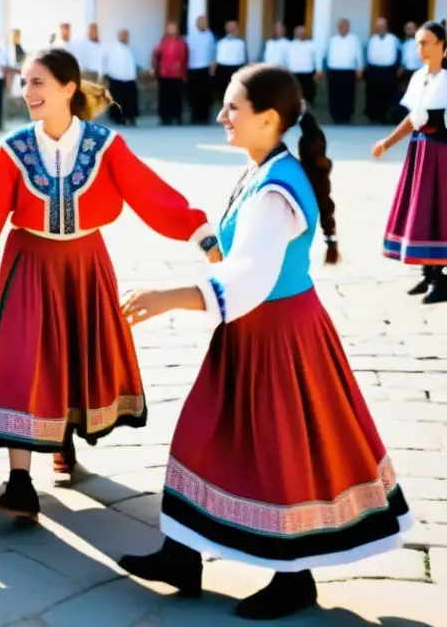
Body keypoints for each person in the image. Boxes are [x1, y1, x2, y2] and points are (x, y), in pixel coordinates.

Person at [117, 64, 412, 622]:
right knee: (203, 435)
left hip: (278, 336)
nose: (222, 115)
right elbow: (241, 263)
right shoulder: (263, 169)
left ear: (269, 119)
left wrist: (169, 296)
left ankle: (293, 577)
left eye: (233, 107)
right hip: (250, 331)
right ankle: (182, 554)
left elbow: (250, 276)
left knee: (280, 453)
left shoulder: (277, 187)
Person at [0, 48, 218, 516]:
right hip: (29, 264)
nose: (27, 92)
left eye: (38, 83)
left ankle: (63, 440)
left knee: (76, 353)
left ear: (68, 89)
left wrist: (201, 235)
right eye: (26, 83)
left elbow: (149, 193)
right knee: (21, 360)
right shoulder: (13, 148)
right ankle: (19, 481)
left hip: (84, 262)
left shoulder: (104, 145)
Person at [373, 20, 447, 303]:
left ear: (443, 46)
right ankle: (429, 274)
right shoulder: (419, 77)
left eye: (427, 42)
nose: (421, 48)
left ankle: (440, 277)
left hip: (442, 152)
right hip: (421, 151)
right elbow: (412, 119)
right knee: (421, 209)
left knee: (440, 210)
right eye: (418, 43)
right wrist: (387, 143)